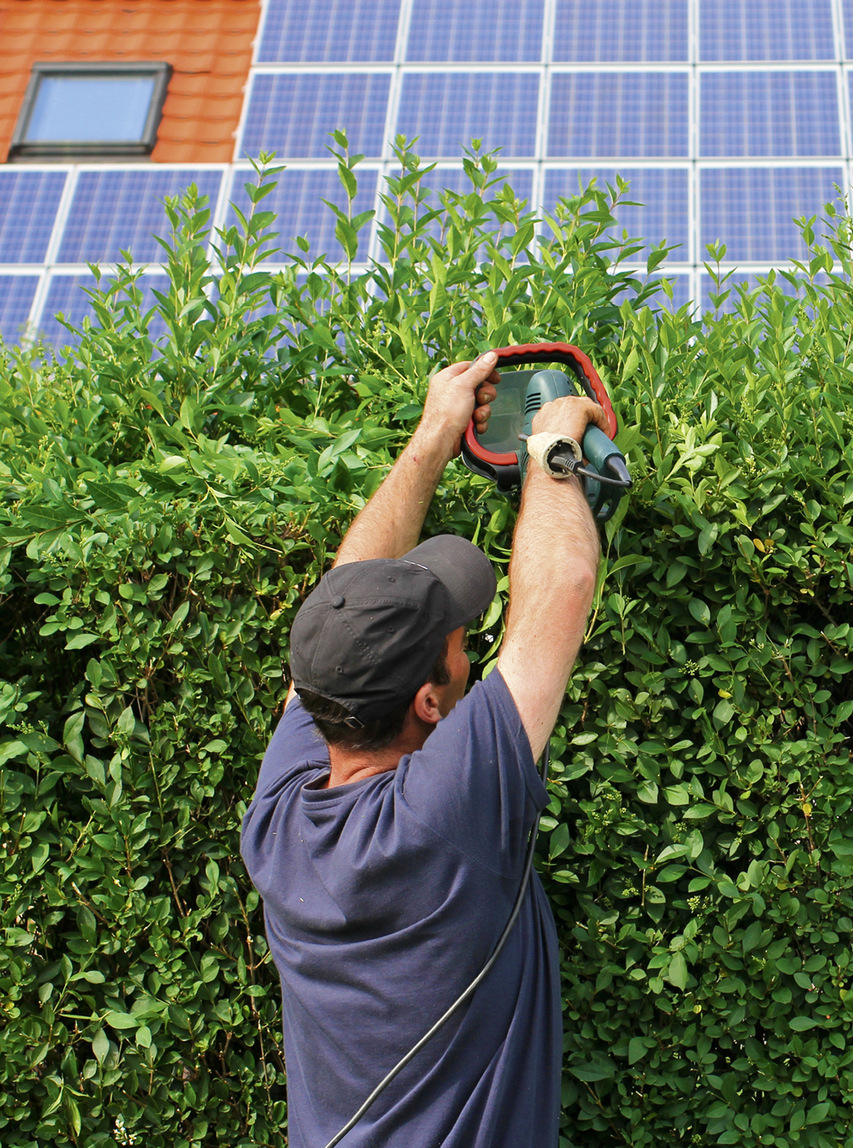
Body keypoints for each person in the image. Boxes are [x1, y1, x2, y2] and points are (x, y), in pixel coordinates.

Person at [240, 350, 608, 1148]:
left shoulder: (281, 811)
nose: (471, 649)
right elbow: (565, 585)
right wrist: (551, 446)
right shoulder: (444, 818)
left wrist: (436, 432)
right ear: (430, 701)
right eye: (460, 642)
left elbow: (348, 590)